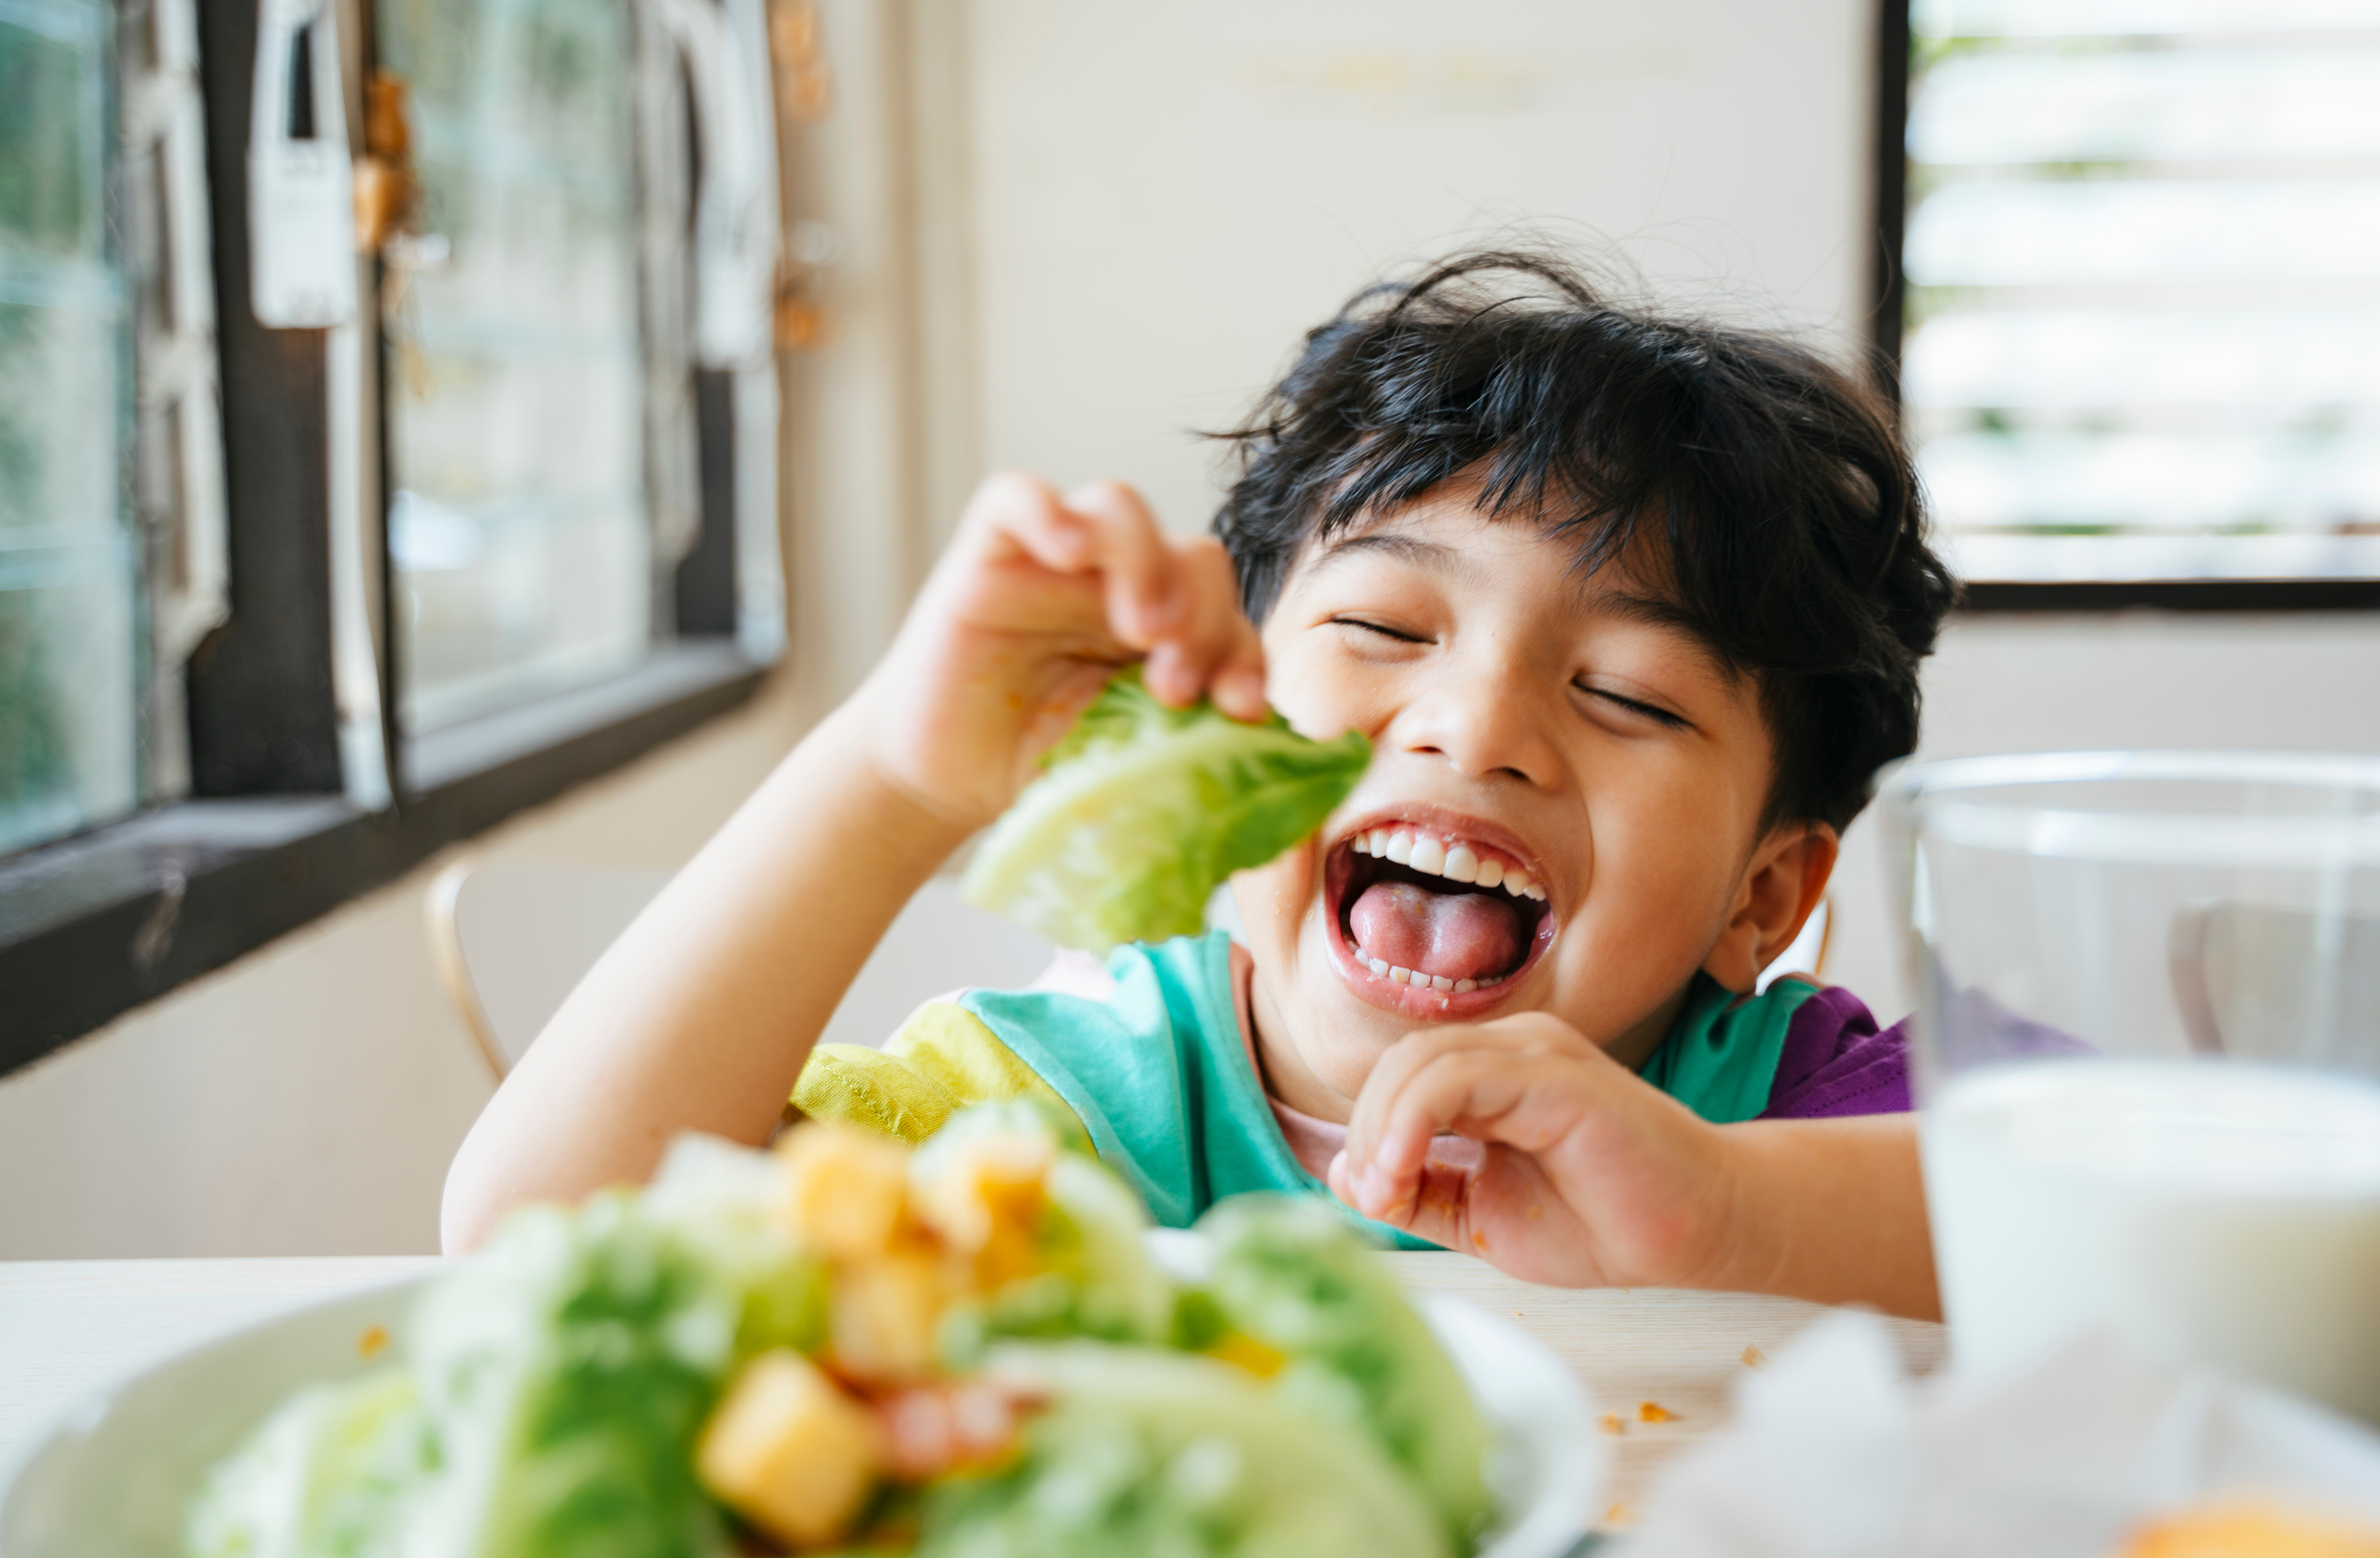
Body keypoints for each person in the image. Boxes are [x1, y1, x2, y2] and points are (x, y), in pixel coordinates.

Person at [441, 252, 1958, 1319]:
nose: (1470, 726)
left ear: (1763, 896)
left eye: (1626, 694)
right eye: (1379, 627)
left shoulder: (1785, 1116)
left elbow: (2127, 1229)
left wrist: (1724, 1210)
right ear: (1226, 703)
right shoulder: (1060, 1119)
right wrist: (889, 784)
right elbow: (538, 1245)